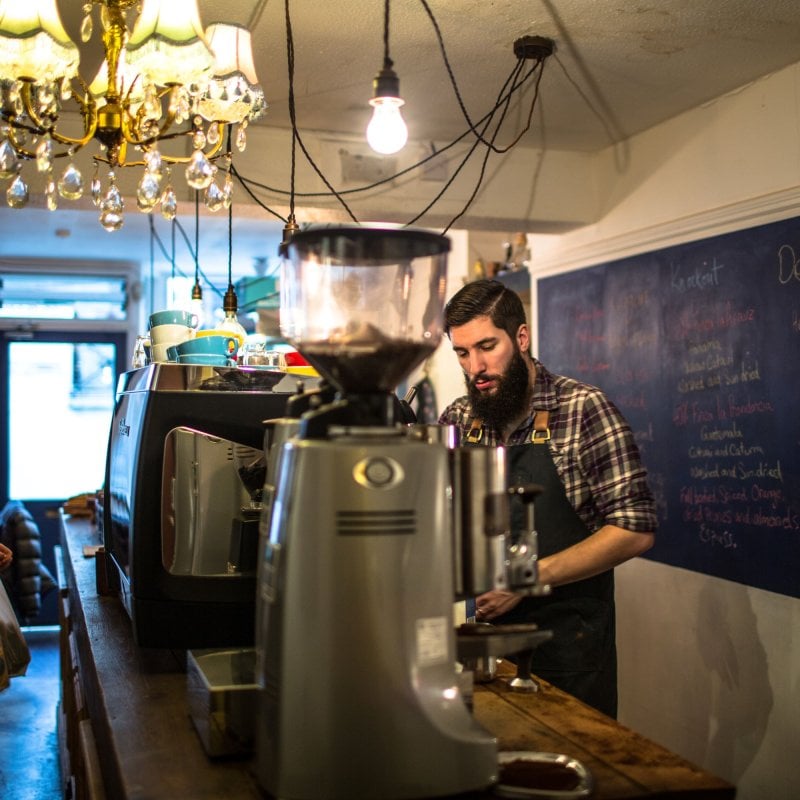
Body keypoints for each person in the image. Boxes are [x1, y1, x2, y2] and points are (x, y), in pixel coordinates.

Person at [438, 279, 657, 718]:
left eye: (486, 346)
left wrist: (523, 580)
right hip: (480, 647)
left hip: (566, 650)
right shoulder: (460, 419)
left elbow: (634, 531)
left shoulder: (583, 410)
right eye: (462, 352)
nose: (476, 366)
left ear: (520, 337)